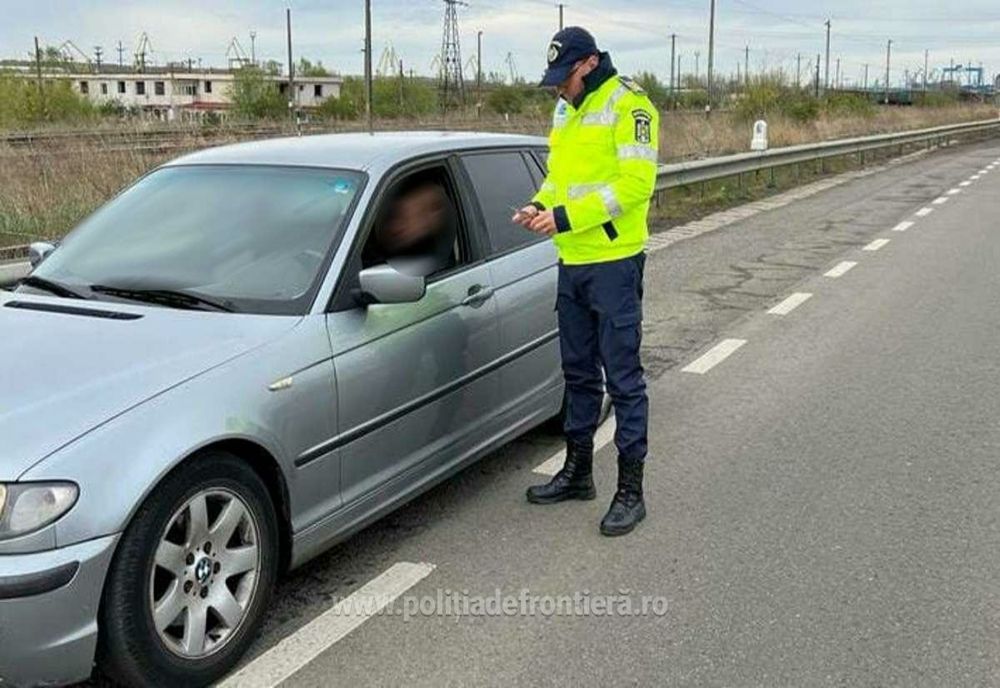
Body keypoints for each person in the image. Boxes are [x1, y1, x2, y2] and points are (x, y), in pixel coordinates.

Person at [513, 27, 659, 536]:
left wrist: (568, 217)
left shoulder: (631, 106)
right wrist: (540, 203)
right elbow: (559, 174)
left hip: (614, 262)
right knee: (577, 374)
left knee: (623, 381)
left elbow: (636, 185)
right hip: (571, 262)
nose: (559, 88)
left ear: (590, 64)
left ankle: (631, 491)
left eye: (565, 78)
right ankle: (578, 473)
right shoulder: (564, 110)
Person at [364, 177, 457, 277]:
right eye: (397, 216)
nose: (398, 226)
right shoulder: (363, 239)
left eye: (432, 209)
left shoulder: (432, 254)